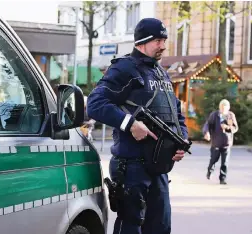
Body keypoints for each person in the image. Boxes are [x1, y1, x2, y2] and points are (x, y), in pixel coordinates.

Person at [87, 18, 188, 234]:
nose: (163, 45)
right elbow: (95, 104)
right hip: (132, 166)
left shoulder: (162, 73)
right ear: (142, 41)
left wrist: (182, 141)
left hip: (158, 167)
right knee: (131, 227)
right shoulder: (124, 69)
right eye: (158, 40)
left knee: (161, 227)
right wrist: (129, 123)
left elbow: (176, 113)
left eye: (164, 40)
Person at [202, 99, 238, 185]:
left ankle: (222, 179)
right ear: (220, 107)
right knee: (213, 160)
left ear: (228, 108)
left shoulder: (231, 115)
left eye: (225, 107)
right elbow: (207, 125)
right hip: (216, 143)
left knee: (225, 163)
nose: (224, 109)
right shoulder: (214, 115)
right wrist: (206, 132)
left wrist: (228, 128)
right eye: (222, 107)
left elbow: (235, 128)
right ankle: (209, 171)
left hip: (227, 142)